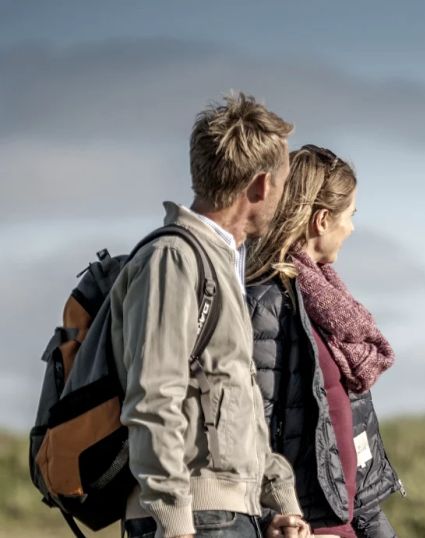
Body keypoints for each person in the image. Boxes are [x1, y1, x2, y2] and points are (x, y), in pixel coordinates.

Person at [110, 92, 311, 538]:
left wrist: (277, 504)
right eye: (282, 184)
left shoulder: (219, 262)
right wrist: (175, 523)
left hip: (228, 518)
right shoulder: (174, 259)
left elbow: (236, 401)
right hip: (196, 521)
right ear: (260, 186)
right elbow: (153, 398)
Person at [244, 144, 402, 538]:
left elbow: (352, 446)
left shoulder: (328, 309)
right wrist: (269, 522)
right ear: (322, 220)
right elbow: (248, 431)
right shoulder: (267, 304)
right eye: (350, 216)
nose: (352, 228)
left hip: (344, 524)